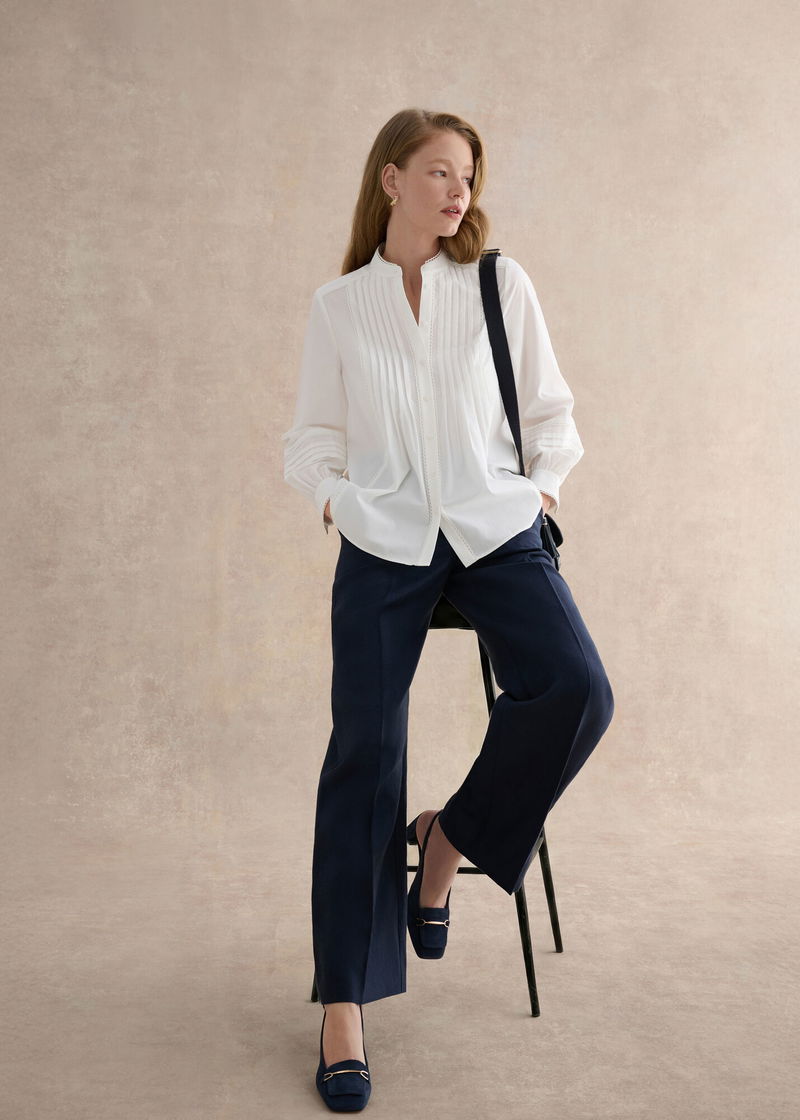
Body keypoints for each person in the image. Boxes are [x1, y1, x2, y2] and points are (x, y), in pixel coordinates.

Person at [281, 107, 615, 1111]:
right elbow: (309, 440)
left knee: (577, 688)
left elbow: (551, 414)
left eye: (466, 174)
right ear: (390, 179)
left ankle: (450, 839)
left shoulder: (500, 285)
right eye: (437, 171)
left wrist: (539, 491)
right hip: (383, 540)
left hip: (493, 527)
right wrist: (339, 501)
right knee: (364, 751)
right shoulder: (341, 306)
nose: (458, 189)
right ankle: (345, 1002)